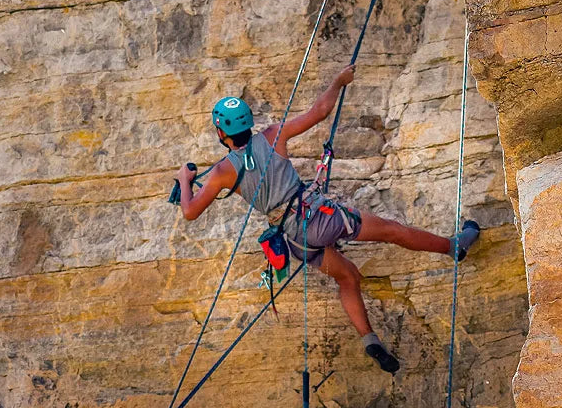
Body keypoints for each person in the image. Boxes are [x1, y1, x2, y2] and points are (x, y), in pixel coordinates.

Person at [175, 65, 481, 373]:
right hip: (319, 219)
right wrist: (337, 82)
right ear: (248, 124)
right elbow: (320, 111)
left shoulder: (220, 173)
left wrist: (185, 180)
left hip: (292, 238)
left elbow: (189, 211)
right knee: (391, 230)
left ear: (220, 132)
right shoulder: (271, 136)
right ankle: (454, 247)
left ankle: (369, 339)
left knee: (347, 276)